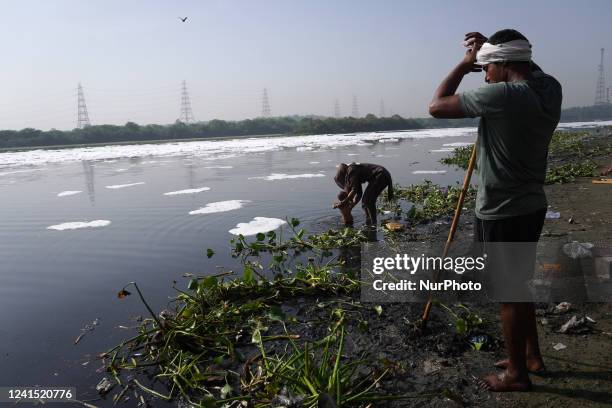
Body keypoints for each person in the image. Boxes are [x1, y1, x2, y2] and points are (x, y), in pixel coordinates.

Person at [429, 29, 562, 392]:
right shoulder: (550, 87)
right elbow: (526, 66)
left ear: (503, 65)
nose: (484, 74)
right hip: (532, 205)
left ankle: (516, 374)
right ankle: (531, 356)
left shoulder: (501, 96)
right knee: (520, 285)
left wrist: (465, 62)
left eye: (488, 67)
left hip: (502, 210)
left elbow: (436, 105)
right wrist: (491, 51)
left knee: (508, 292)